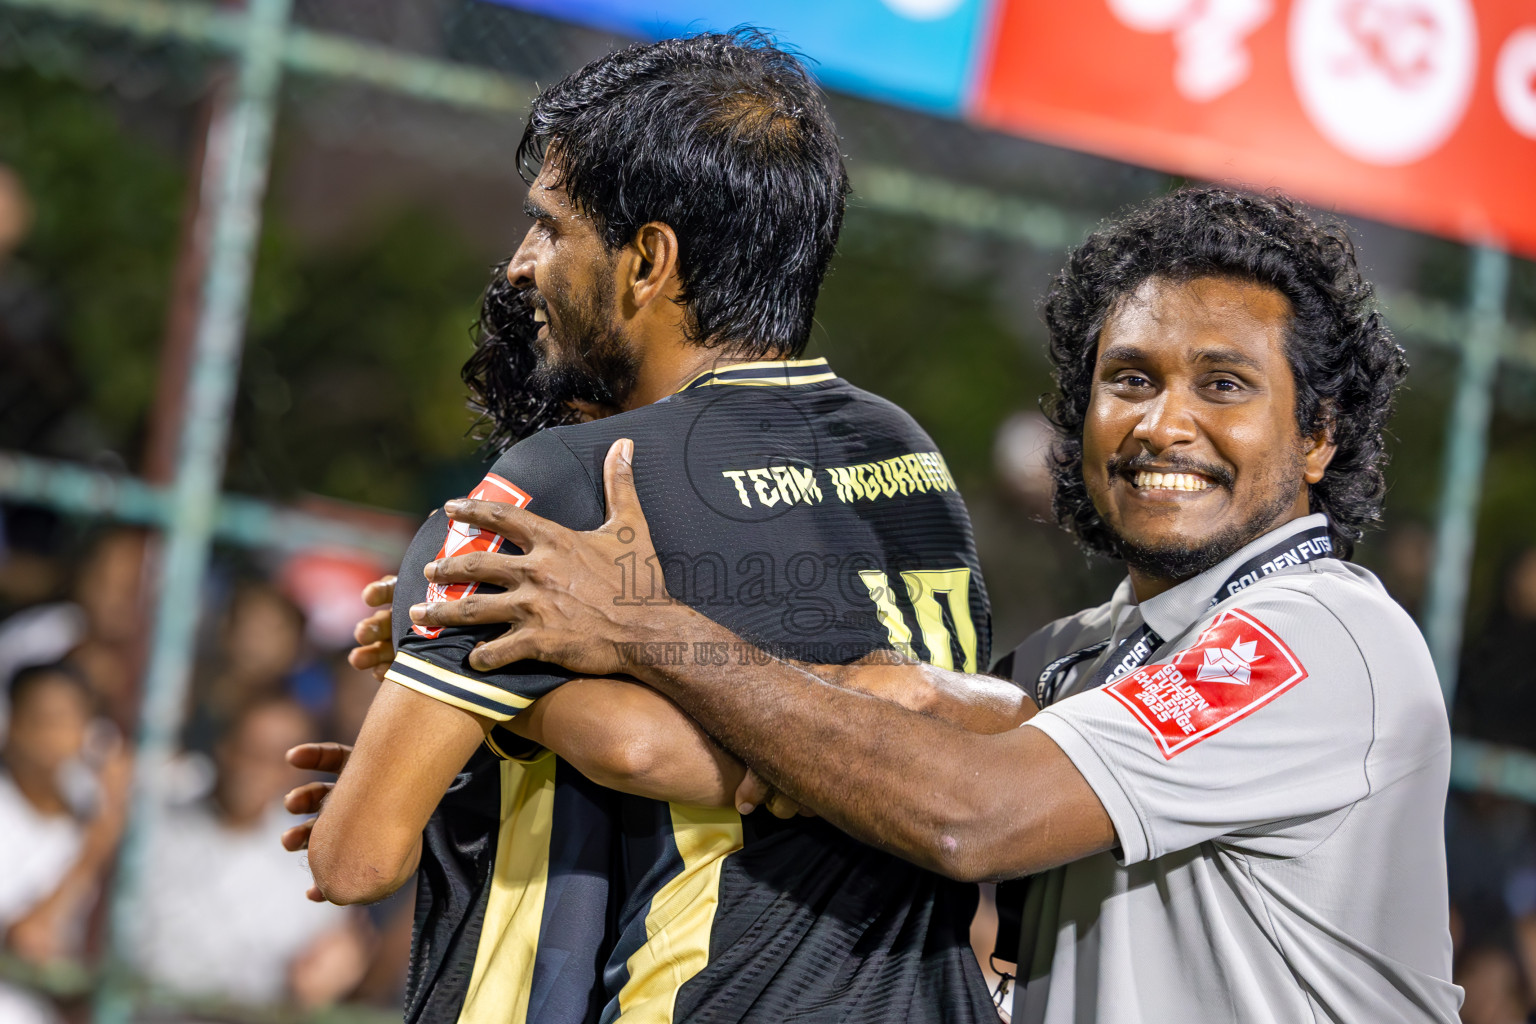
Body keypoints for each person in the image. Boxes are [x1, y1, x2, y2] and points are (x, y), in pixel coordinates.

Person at [409, 187, 1462, 1022]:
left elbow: (969, 812)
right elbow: (846, 748)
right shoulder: (1080, 655)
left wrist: (648, 628)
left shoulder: (1318, 638)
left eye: (1224, 385)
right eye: (1130, 379)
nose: (1164, 423)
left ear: (1319, 434)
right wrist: (481, 742)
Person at [291, 30, 1014, 1024]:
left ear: (648, 261)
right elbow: (928, 735)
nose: (518, 265)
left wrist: (485, 700)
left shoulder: (568, 477)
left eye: (551, 228)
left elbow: (355, 855)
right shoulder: (906, 455)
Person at [134, 696, 369, 1010]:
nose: (257, 768)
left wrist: (333, 967)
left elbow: (328, 964)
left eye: (277, 758)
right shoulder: (155, 818)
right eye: (249, 750)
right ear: (224, 748)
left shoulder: (313, 862)